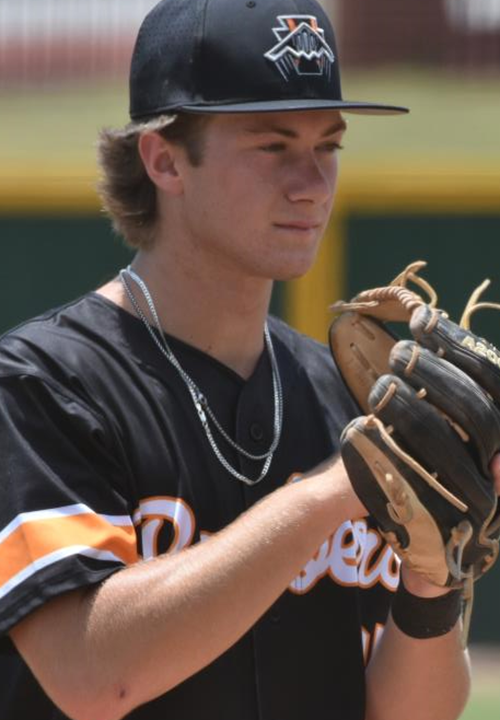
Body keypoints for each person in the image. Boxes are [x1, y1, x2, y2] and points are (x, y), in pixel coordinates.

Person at [0, 1, 498, 719]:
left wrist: (433, 583)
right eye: (273, 146)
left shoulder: (345, 395)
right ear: (164, 160)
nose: (312, 182)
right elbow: (93, 674)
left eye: (329, 146)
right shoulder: (44, 386)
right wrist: (339, 487)